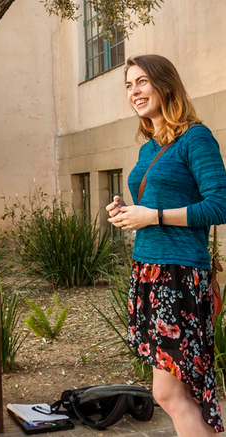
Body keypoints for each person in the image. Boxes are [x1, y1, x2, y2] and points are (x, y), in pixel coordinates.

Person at [106, 54, 226, 436]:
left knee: (170, 391)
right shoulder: (149, 148)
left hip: (178, 276)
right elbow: (153, 202)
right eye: (128, 85)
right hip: (148, 271)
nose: (134, 92)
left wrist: (152, 215)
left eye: (141, 82)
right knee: (175, 391)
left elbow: (219, 205)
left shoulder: (196, 137)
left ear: (165, 84)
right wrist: (125, 211)